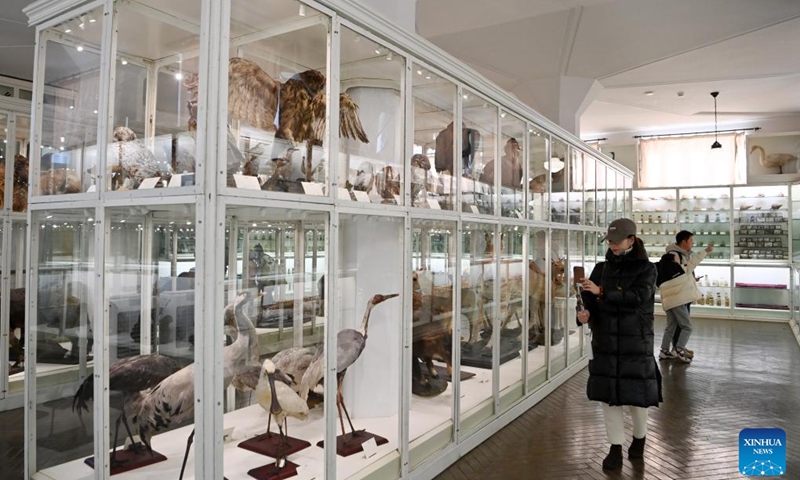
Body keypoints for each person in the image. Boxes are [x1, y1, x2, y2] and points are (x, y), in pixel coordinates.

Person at [576, 218, 661, 470]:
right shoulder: (601, 269)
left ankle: (640, 437)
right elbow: (587, 301)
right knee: (608, 397)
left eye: (617, 240)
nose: (612, 245)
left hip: (636, 341)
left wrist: (601, 292)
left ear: (631, 240)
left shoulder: (648, 269)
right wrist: (584, 314)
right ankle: (614, 447)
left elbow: (638, 297)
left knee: (636, 396)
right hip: (605, 341)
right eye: (610, 241)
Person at [658, 231, 713, 362]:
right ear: (684, 241)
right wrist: (705, 251)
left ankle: (664, 350)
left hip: (671, 297)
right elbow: (691, 265)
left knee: (671, 326)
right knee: (687, 326)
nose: (693, 244)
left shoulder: (675, 258)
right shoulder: (674, 256)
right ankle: (679, 349)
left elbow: (679, 276)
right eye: (691, 241)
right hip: (678, 297)